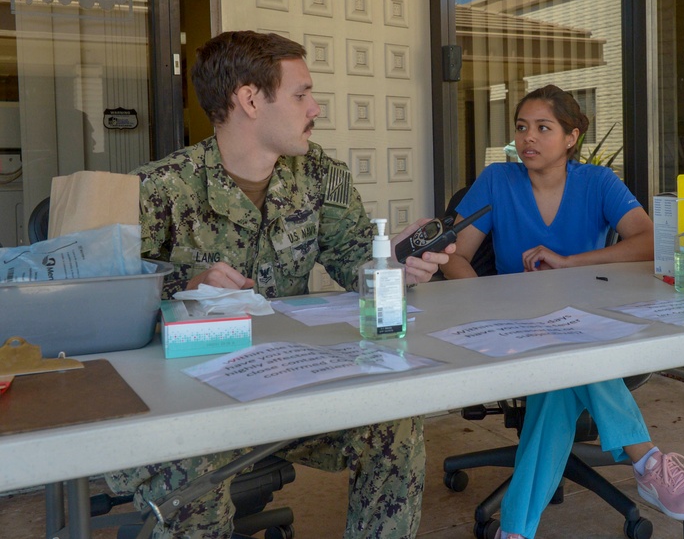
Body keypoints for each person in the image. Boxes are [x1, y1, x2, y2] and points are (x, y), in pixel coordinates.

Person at [104, 30, 454, 539]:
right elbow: (100, 295)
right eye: (301, 94)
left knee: (394, 425)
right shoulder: (157, 189)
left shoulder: (319, 177)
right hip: (190, 399)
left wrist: (395, 262)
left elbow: (354, 259)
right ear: (249, 99)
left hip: (287, 386)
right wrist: (183, 283)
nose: (316, 108)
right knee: (190, 470)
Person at [441, 85, 684, 539]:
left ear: (571, 137)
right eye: (521, 128)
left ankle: (516, 530)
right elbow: (452, 253)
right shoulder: (497, 180)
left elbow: (650, 242)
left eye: (543, 128)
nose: (528, 138)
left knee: (563, 374)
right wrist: (486, 303)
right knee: (572, 362)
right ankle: (647, 461)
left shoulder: (598, 183)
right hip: (520, 327)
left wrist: (570, 263)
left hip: (590, 323)